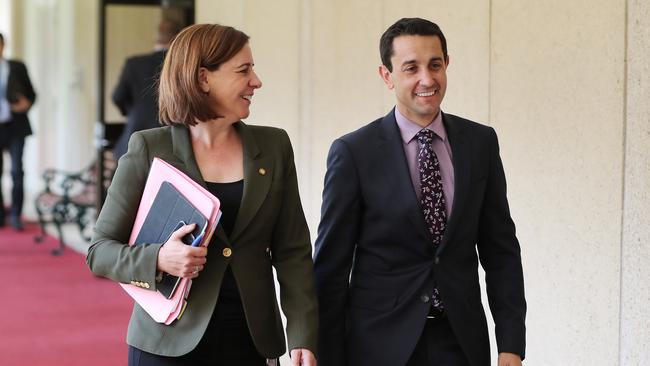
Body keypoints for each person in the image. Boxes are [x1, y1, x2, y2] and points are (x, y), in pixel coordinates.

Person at [86, 24, 318, 366]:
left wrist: (302, 334)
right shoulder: (150, 148)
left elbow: (293, 252)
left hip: (251, 341)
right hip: (166, 344)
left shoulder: (274, 147)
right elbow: (100, 251)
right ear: (203, 78)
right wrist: (159, 259)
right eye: (244, 70)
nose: (256, 81)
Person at [314, 18, 526, 366]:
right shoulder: (354, 152)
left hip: (460, 343)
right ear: (387, 75)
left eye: (435, 65)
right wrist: (327, 354)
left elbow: (501, 250)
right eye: (411, 68)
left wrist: (511, 345)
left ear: (447, 64)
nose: (427, 79)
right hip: (378, 346)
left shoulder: (480, 143)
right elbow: (331, 268)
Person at [111, 18, 181, 160]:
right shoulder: (182, 65)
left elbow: (117, 97)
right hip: (173, 143)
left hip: (135, 136)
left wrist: (132, 111)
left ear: (158, 37)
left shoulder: (134, 64)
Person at [0, 32, 36, 231]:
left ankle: (15, 214)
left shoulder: (17, 67)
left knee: (16, 171)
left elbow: (32, 93)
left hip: (15, 127)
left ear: (3, 46)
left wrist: (26, 103)